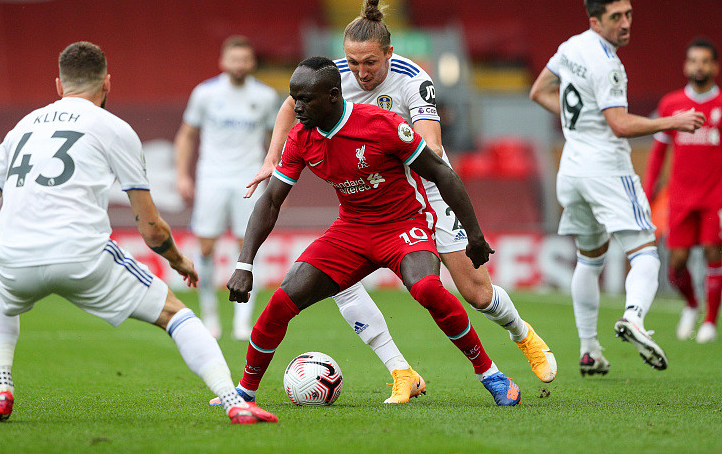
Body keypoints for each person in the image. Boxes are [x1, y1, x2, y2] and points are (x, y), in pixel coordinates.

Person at [245, 0, 555, 402]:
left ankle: (522, 333)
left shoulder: (413, 79)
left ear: (389, 53)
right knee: (338, 283)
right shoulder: (332, 78)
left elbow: (433, 150)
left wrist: (386, 146)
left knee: (476, 292)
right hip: (371, 193)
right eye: (352, 62)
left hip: (424, 183)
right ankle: (401, 371)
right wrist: (273, 158)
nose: (360, 72)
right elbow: (291, 106)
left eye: (370, 63)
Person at [0, 42, 277, 425]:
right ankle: (233, 401)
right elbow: (151, 227)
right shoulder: (113, 128)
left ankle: (0, 386)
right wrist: (178, 260)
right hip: (82, 255)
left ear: (59, 85)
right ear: (107, 83)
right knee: (175, 314)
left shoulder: (21, 128)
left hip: (15, 255)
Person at [213, 56, 521, 407]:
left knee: (428, 289)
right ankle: (244, 393)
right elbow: (270, 201)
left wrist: (474, 234)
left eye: (305, 100)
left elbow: (442, 173)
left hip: (403, 224)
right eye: (294, 98)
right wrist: (244, 264)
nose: (296, 108)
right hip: (351, 230)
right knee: (281, 301)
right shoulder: (300, 137)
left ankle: (491, 374)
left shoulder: (381, 125)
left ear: (333, 95)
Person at [529, 0, 706, 375]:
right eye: (616, 17)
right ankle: (635, 318)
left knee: (589, 258)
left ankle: (589, 350)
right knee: (644, 251)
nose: (625, 23)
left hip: (572, 169)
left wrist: (578, 124)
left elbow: (538, 91)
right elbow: (621, 125)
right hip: (607, 168)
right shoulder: (608, 63)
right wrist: (672, 122)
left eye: (628, 14)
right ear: (596, 21)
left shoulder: (571, 46)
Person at [174, 35, 279, 340]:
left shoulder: (265, 96)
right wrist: (182, 175)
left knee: (247, 246)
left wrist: (276, 177)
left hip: (250, 177)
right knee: (206, 246)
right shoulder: (205, 93)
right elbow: (186, 135)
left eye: (244, 59)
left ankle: (242, 321)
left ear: (252, 62)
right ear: (223, 62)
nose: (239, 65)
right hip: (212, 176)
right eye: (234, 59)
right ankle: (210, 315)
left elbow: (277, 140)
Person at [643, 37, 722, 344]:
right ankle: (691, 304)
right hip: (680, 197)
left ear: (714, 66)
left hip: (715, 195)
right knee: (676, 264)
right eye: (693, 60)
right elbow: (658, 154)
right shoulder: (671, 104)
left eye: (705, 61)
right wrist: (647, 192)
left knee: (714, 252)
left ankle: (710, 321)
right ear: (686, 65)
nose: (698, 66)